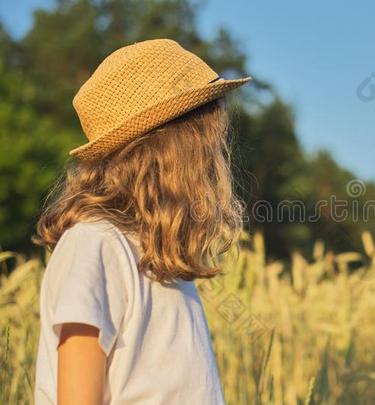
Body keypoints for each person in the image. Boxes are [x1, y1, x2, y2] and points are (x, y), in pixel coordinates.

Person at [32, 38, 251, 405]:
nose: (218, 156)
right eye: (210, 141)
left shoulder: (164, 266)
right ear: (174, 150)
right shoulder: (95, 246)